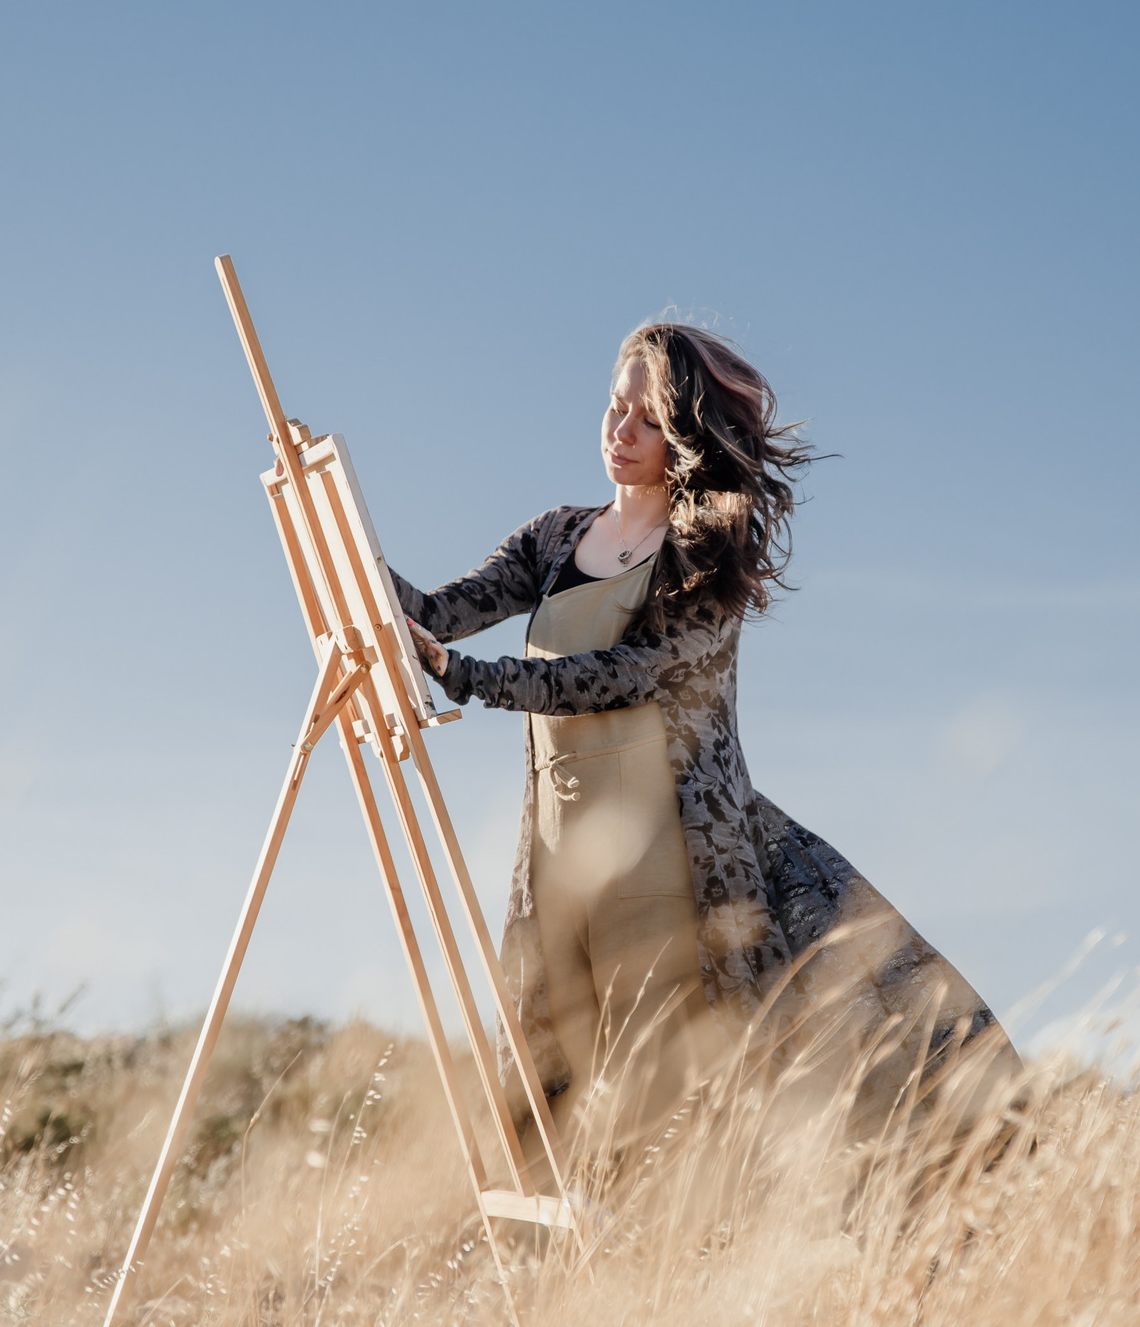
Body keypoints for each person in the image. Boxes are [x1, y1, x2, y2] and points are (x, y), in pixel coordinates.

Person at [394, 322, 1013, 1174]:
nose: (621, 431)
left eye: (647, 420)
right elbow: (434, 613)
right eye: (615, 408)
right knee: (557, 1078)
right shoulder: (552, 538)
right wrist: (348, 554)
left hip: (674, 859)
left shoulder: (705, 555)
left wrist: (470, 677)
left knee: (688, 1085)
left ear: (683, 438)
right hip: (563, 854)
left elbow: (624, 674)